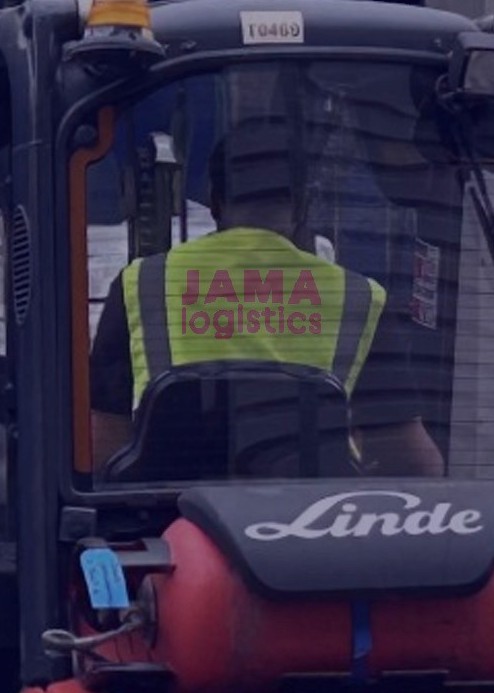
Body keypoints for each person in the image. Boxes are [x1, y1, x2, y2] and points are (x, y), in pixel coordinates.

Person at [89, 117, 442, 475]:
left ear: (214, 200)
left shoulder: (143, 283)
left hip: (169, 518)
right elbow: (417, 463)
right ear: (306, 204)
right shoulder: (359, 299)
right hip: (314, 520)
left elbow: (101, 447)